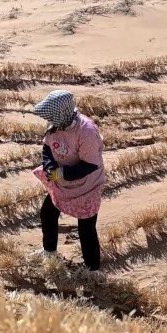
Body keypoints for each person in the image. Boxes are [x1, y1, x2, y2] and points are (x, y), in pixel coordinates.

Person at [32, 90, 105, 272]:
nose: (47, 120)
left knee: (86, 229)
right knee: (48, 213)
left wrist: (62, 173)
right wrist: (49, 166)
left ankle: (92, 270)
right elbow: (47, 147)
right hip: (61, 183)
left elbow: (90, 165)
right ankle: (49, 251)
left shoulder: (86, 132)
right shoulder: (56, 122)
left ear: (60, 113)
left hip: (86, 185)